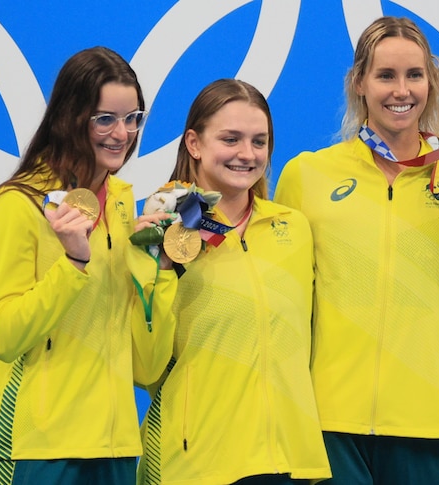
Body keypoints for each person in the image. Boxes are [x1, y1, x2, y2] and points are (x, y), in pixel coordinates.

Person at [274, 16, 439, 485]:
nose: (400, 90)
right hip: (329, 421)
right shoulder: (307, 175)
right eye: (385, 75)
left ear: (432, 82)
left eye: (414, 75)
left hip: (423, 421)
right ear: (359, 83)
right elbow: (283, 302)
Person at [0, 46, 177, 484]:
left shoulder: (125, 206)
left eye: (132, 118)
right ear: (69, 118)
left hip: (117, 450)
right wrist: (71, 262)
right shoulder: (17, 204)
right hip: (36, 450)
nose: (121, 134)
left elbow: (146, 368)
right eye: (105, 119)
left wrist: (156, 272)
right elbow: (4, 336)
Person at [136, 79, 331, 485]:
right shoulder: (159, 231)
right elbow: (143, 365)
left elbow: (326, 327)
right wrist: (165, 267)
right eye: (231, 139)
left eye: (259, 141)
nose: (247, 154)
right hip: (197, 464)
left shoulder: (292, 227)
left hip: (290, 462)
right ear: (194, 143)